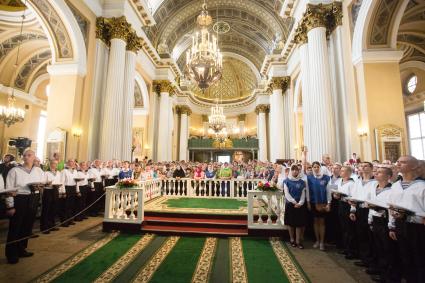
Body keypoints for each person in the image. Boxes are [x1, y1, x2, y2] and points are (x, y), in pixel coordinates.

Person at [387, 156, 425, 283]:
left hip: (418, 228)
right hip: (400, 225)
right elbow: (391, 206)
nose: (398, 164)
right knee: (405, 256)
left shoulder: (422, 186)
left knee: (419, 258)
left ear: (414, 166)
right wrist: (392, 225)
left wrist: (412, 216)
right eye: (397, 162)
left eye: (403, 162)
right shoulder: (396, 185)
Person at [5, 149, 45, 264]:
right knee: (15, 227)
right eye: (25, 155)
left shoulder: (38, 170)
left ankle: (21, 249)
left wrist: (39, 187)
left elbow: (42, 184)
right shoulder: (15, 170)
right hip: (19, 199)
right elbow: (9, 189)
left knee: (27, 226)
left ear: (34, 157)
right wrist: (10, 206)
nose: (27, 157)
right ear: (22, 158)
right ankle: (11, 254)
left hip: (33, 198)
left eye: (29, 155)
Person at [368, 166, 399, 283]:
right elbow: (371, 204)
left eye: (380, 172)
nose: (376, 174)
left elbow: (392, 208)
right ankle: (382, 273)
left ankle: (391, 277)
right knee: (379, 247)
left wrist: (392, 225)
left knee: (388, 249)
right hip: (376, 220)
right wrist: (370, 219)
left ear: (388, 176)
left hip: (386, 222)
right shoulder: (374, 187)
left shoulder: (391, 190)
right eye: (376, 172)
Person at [351, 162, 377, 268]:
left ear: (371, 169)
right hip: (359, 209)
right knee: (361, 234)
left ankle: (372, 261)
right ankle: (364, 258)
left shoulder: (375, 182)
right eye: (361, 166)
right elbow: (353, 196)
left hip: (369, 210)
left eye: (365, 166)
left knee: (371, 236)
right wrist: (352, 210)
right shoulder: (358, 182)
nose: (363, 168)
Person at [333, 165, 357, 259]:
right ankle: (346, 247)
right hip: (341, 205)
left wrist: (352, 210)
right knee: (343, 228)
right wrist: (336, 195)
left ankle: (351, 250)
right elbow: (334, 190)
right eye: (341, 170)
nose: (341, 172)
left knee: (349, 229)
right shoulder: (339, 181)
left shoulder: (352, 183)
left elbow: (353, 197)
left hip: (348, 206)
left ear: (348, 173)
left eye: (343, 171)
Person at [308, 161, 331, 251]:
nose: (316, 168)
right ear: (312, 168)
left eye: (318, 167)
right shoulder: (309, 178)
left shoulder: (326, 178)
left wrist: (329, 203)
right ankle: (317, 240)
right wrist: (308, 202)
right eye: (314, 167)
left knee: (322, 222)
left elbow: (329, 191)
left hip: (323, 202)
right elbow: (308, 192)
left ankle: (322, 242)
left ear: (320, 168)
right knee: (315, 222)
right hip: (314, 202)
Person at [283, 165, 308, 249]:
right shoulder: (286, 181)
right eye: (293, 170)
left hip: (299, 205)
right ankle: (292, 239)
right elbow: (287, 194)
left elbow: (303, 194)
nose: (295, 171)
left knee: (298, 224)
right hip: (290, 204)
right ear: (291, 171)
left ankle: (298, 241)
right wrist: (294, 202)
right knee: (290, 223)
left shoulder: (302, 182)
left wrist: (300, 203)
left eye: (296, 170)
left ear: (298, 171)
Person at [41, 159, 62, 234]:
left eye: (56, 164)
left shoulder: (58, 173)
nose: (54, 165)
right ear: (50, 164)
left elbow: (60, 181)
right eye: (53, 163)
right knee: (46, 209)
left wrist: (59, 189)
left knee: (53, 208)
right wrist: (47, 183)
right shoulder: (46, 173)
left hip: (55, 190)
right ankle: (44, 227)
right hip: (48, 191)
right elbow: (42, 183)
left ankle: (52, 225)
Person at [61, 159, 79, 226]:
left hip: (73, 188)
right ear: (68, 163)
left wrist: (77, 190)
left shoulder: (75, 171)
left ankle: (70, 219)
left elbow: (77, 181)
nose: (72, 163)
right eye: (71, 162)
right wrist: (63, 191)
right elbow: (62, 181)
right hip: (67, 188)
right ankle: (64, 221)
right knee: (66, 205)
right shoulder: (64, 171)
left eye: (73, 162)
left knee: (71, 205)